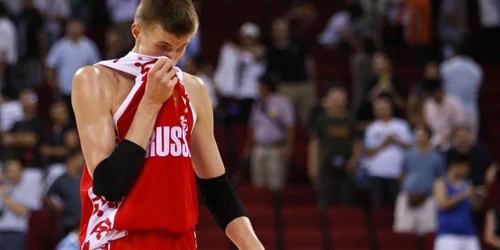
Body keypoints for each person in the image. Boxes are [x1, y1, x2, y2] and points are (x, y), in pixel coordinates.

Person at [71, 0, 263, 250]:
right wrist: (150, 103)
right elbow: (110, 185)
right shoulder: (95, 79)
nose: (171, 58)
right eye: (163, 46)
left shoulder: (194, 89)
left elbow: (217, 189)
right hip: (118, 237)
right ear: (137, 31)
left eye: (181, 48)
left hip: (180, 240)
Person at [308, 85, 361, 211]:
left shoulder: (351, 120)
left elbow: (357, 143)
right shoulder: (321, 120)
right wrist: (313, 166)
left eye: (341, 98)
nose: (338, 101)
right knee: (324, 200)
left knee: (346, 199)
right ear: (328, 100)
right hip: (326, 164)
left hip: (346, 164)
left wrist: (353, 161)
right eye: (335, 98)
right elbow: (315, 144)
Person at [394, 124, 445, 235]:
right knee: (404, 230)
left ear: (428, 136)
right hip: (408, 197)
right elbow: (402, 174)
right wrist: (409, 189)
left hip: (428, 198)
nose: (418, 137)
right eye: (416, 135)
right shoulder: (408, 155)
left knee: (428, 231)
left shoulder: (437, 157)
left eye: (421, 135)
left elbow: (440, 179)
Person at [433, 151, 482, 250]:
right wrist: (463, 195)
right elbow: (443, 204)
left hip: (469, 233)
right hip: (448, 234)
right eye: (465, 166)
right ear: (454, 165)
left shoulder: (467, 184)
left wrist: (475, 196)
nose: (467, 170)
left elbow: (476, 207)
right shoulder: (441, 183)